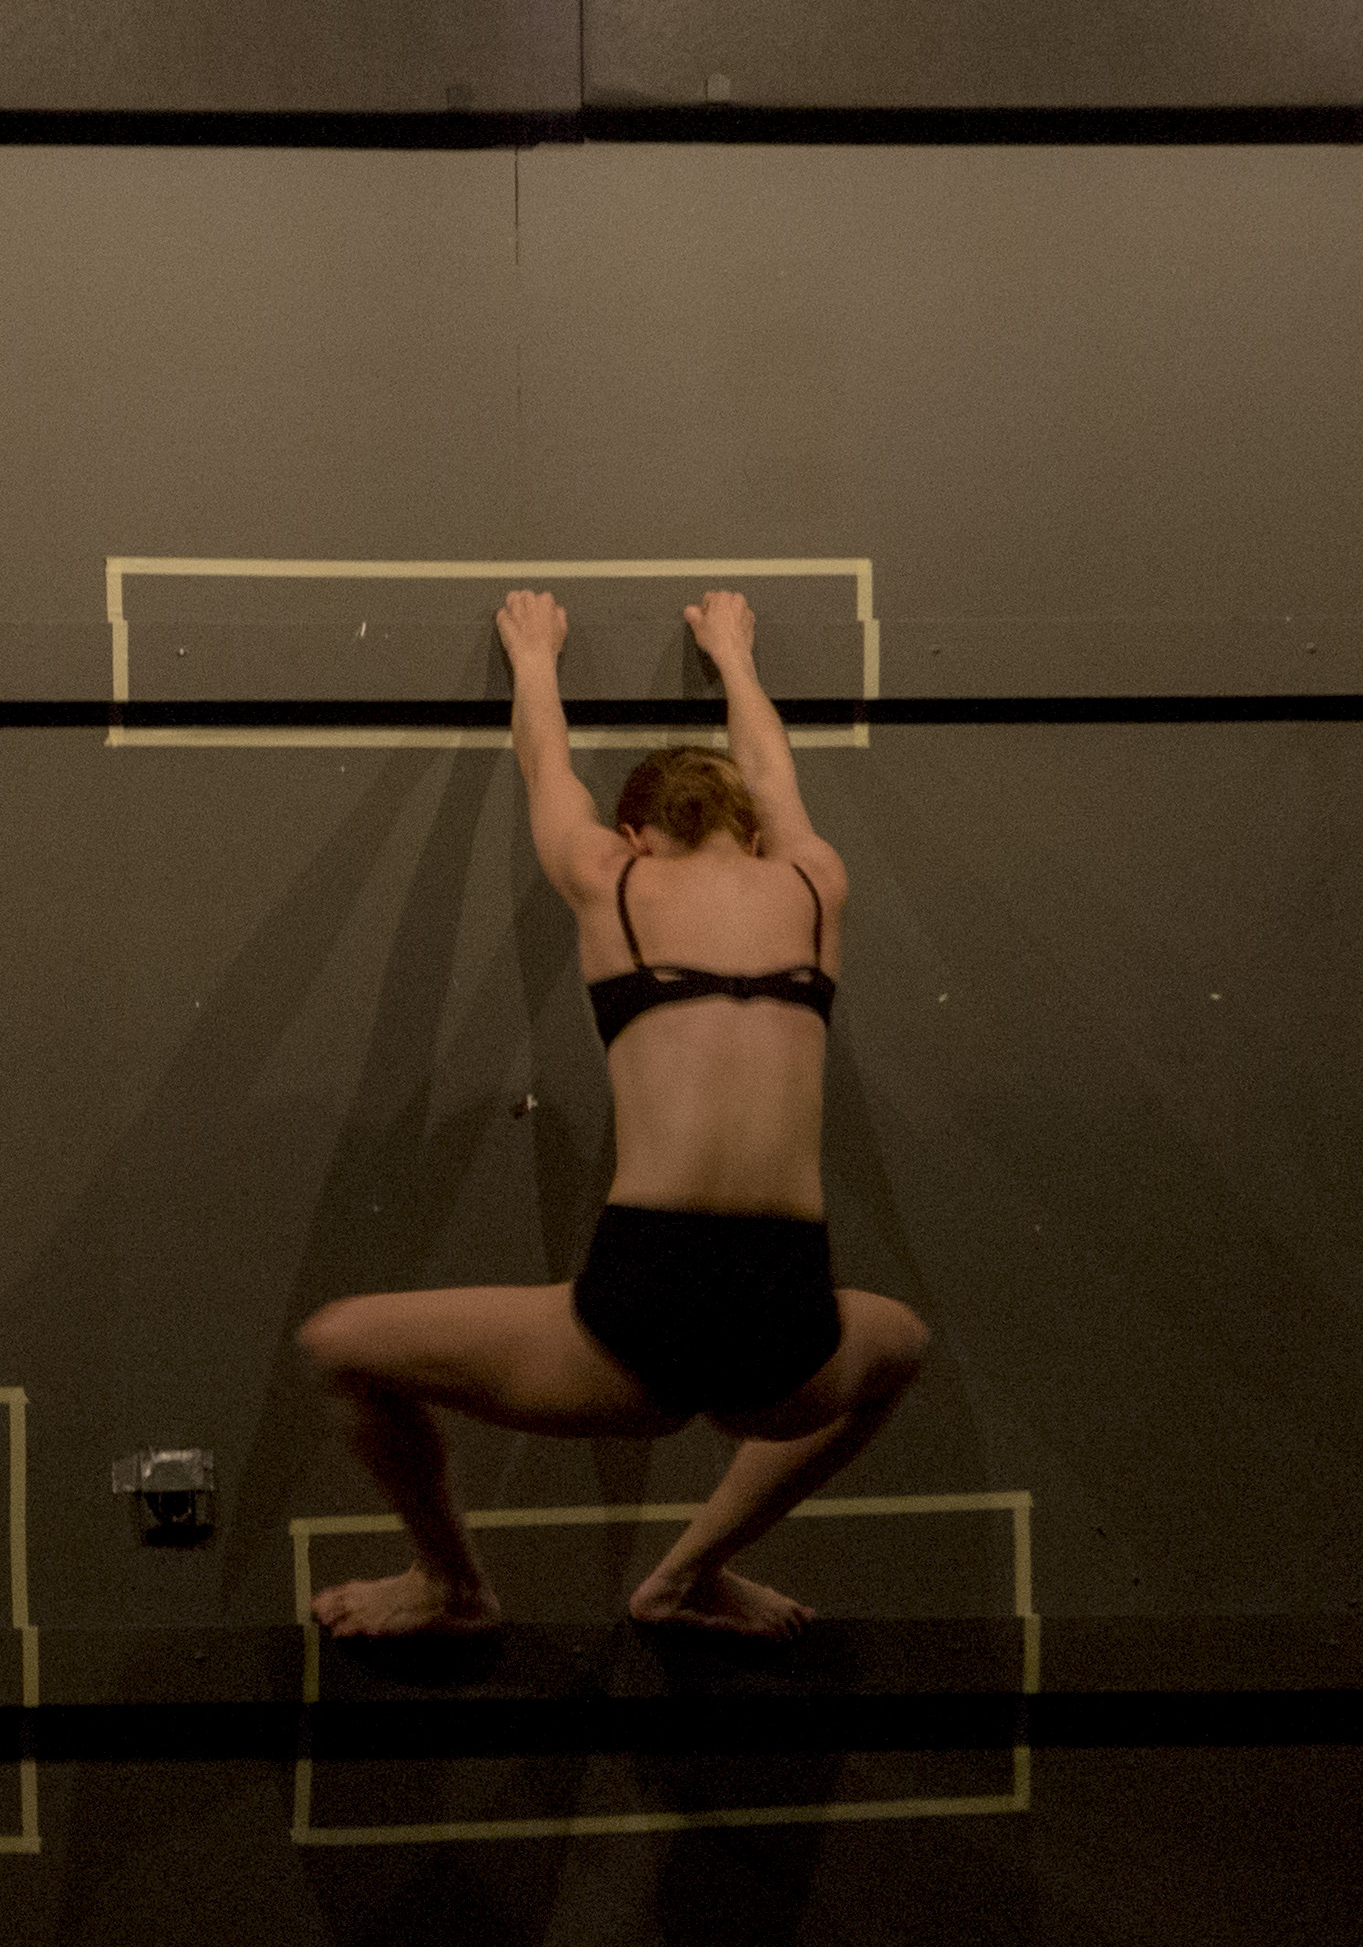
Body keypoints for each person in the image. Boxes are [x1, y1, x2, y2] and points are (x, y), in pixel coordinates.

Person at [300, 588, 930, 1642]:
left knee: (341, 1346)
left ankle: (451, 1584)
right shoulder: (815, 883)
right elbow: (775, 771)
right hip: (789, 1316)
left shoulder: (612, 882)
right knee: (899, 1345)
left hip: (644, 1300)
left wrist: (534, 659)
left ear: (634, 835)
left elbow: (547, 773)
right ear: (752, 835)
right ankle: (687, 1574)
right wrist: (733, 656)